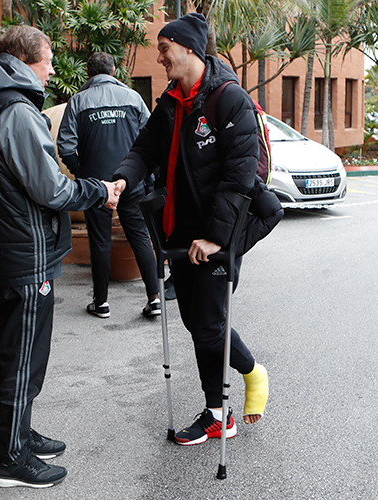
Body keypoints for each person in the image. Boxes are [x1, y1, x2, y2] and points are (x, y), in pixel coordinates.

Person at [112, 13, 282, 446]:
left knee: (208, 326)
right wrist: (122, 180)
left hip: (217, 234)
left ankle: (249, 377)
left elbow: (239, 176)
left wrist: (216, 239)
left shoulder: (230, 100)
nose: (160, 58)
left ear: (189, 48)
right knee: (197, 323)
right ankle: (218, 413)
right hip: (181, 235)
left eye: (164, 49)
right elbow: (144, 149)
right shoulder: (171, 102)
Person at [0, 26, 120, 488]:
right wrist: (98, 190)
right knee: (23, 355)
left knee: (14, 349)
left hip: (3, 247)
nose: (52, 70)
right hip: (24, 253)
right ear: (25, 60)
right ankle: (11, 458)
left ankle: (18, 434)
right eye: (48, 61)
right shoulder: (14, 109)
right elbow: (50, 188)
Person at [57, 52, 162, 319]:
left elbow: (65, 146)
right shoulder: (133, 98)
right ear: (114, 72)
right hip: (131, 182)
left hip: (96, 187)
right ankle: (154, 298)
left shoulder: (78, 101)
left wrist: (83, 174)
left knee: (100, 241)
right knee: (140, 237)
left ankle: (101, 302)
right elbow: (151, 140)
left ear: (89, 73)